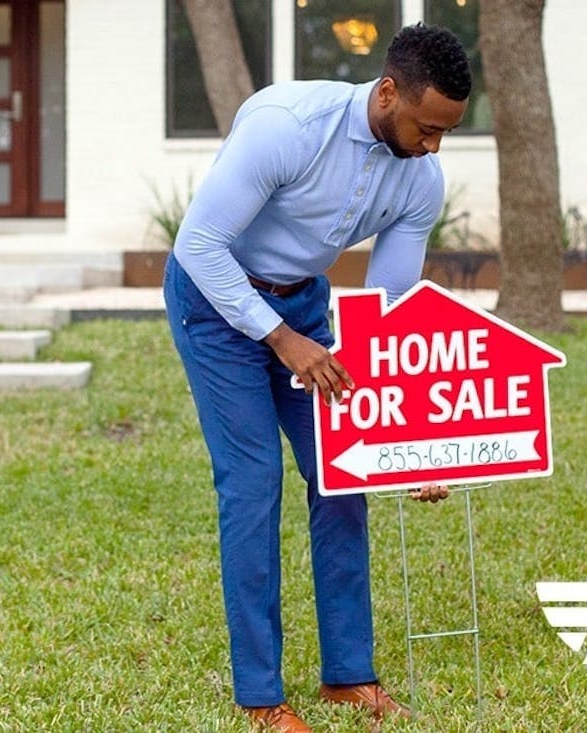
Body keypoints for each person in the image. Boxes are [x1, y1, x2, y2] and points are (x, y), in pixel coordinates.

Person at [164, 23, 472, 732]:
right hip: (214, 300)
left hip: (302, 301)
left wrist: (404, 442)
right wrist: (280, 339)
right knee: (253, 480)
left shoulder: (420, 177)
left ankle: (348, 676)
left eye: (445, 133)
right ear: (388, 92)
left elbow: (389, 312)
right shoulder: (287, 126)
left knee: (344, 472)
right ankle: (262, 696)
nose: (433, 146)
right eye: (427, 127)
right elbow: (199, 243)